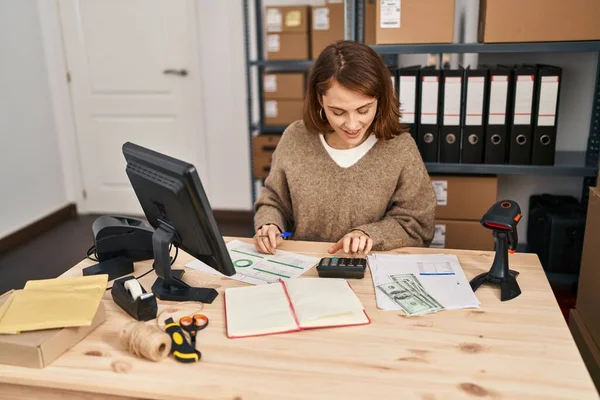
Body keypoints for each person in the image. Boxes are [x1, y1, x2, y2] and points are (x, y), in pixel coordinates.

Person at [253, 40, 436, 255]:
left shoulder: (400, 148)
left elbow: (417, 224)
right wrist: (270, 224)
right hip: (303, 268)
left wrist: (370, 235)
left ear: (380, 99)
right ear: (320, 101)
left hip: (368, 272)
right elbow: (273, 201)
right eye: (338, 112)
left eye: (363, 110)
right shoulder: (295, 138)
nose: (351, 125)